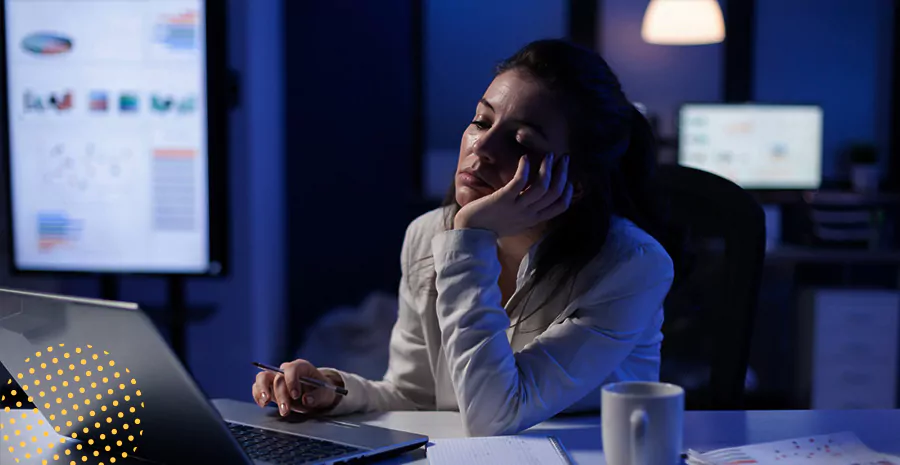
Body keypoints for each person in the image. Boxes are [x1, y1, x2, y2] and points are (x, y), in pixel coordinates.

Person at [252, 39, 675, 437]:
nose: (482, 147)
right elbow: (417, 397)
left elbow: (496, 412)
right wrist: (335, 390)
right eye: (480, 121)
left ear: (575, 182)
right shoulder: (427, 235)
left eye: (520, 140)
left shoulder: (632, 265)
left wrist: (470, 240)